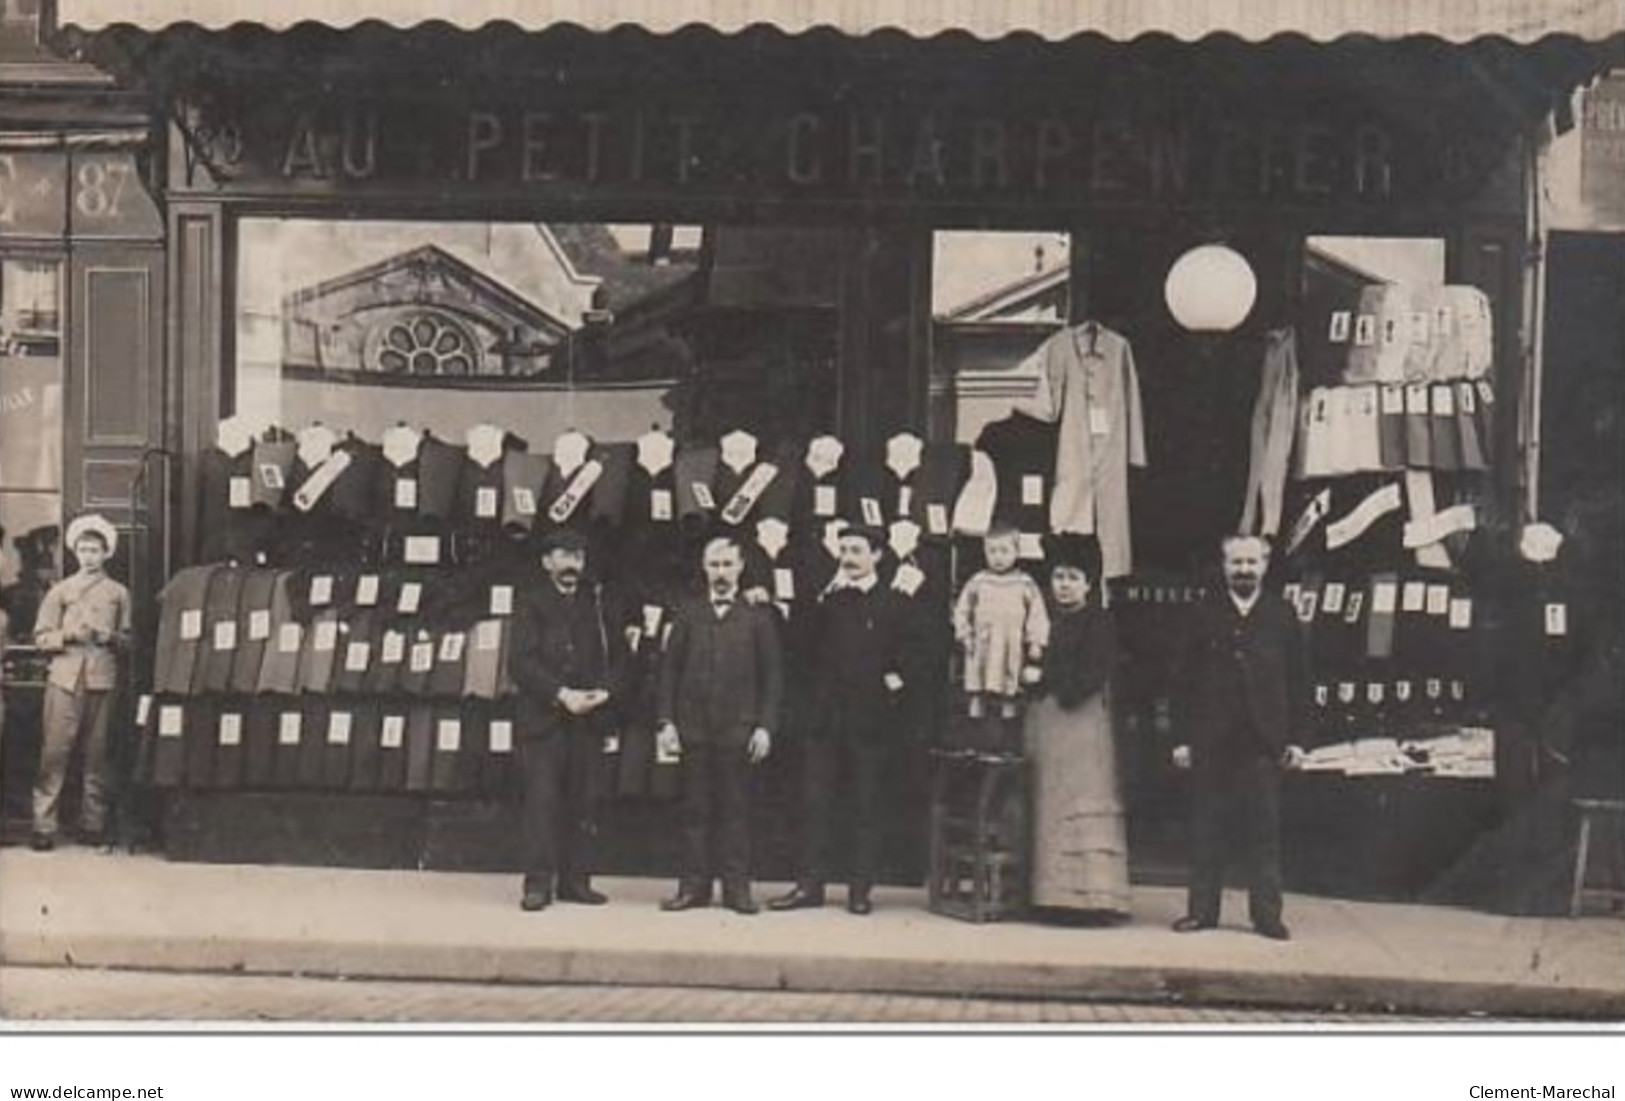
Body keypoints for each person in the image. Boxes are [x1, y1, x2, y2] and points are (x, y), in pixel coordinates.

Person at [769, 525, 922, 916]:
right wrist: (819, 599)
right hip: (825, 721)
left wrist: (893, 682)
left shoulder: (896, 601)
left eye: (856, 550)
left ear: (877, 556)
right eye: (844, 550)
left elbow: (915, 652)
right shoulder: (827, 599)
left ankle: (859, 890)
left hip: (870, 722)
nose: (848, 557)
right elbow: (800, 648)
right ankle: (809, 886)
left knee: (865, 807)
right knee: (814, 803)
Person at [1169, 534, 1308, 941]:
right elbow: (1181, 681)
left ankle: (1266, 915)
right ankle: (1202, 911)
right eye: (1236, 562)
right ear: (1224, 564)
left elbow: (1300, 682)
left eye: (1251, 562)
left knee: (1263, 832)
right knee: (1207, 828)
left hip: (1263, 742)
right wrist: (1181, 738)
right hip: (1212, 739)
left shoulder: (1281, 615)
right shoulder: (1203, 613)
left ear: (1265, 565)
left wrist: (1298, 740)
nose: (1244, 569)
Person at [655, 535, 784, 915]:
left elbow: (773, 678)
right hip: (694, 730)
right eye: (714, 565)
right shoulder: (688, 613)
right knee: (695, 812)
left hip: (739, 731)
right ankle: (693, 888)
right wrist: (666, 721)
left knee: (736, 812)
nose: (722, 573)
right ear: (703, 567)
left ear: (741, 567)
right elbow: (669, 672)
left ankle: (736, 890)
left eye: (728, 564)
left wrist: (765, 727)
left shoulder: (759, 618)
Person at [508, 527, 628, 911]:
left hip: (588, 720)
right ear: (547, 563)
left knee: (584, 802)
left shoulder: (598, 603)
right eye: (563, 556)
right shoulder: (530, 603)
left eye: (577, 557)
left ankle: (576, 882)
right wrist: (562, 695)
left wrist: (604, 693)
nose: (571, 564)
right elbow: (521, 662)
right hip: (545, 720)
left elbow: (621, 657)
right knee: (542, 803)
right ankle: (538, 884)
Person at [1025, 534, 1130, 921]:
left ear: (1088, 584)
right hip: (1047, 722)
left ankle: (1092, 898)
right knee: (1048, 804)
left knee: (1083, 802)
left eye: (1073, 577)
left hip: (1083, 722)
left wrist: (1053, 681)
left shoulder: (1098, 621)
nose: (1064, 585)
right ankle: (1049, 893)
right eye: (1058, 577)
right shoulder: (1043, 619)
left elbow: (1094, 671)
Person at [30, 513, 131, 851]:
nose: (89, 556)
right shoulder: (60, 591)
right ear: (75, 552)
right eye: (83, 549)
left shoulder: (119, 593)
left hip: (102, 679)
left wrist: (110, 636)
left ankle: (93, 823)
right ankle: (44, 825)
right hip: (63, 680)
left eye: (95, 550)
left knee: (97, 755)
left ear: (106, 553)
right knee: (54, 753)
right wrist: (68, 635)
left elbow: (130, 642)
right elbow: (41, 637)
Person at [953, 523, 1050, 720]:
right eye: (992, 551)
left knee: (1009, 686)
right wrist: (965, 634)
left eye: (1004, 551)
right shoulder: (978, 581)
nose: (998, 557)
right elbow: (962, 610)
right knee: (977, 686)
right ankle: (976, 726)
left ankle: (1008, 726)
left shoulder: (1025, 583)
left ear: (1016, 552)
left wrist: (1036, 642)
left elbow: (1037, 614)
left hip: (1010, 644)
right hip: (981, 643)